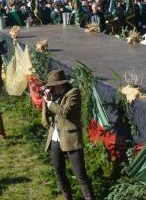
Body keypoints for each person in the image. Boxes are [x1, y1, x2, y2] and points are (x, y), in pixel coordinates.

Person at [42, 69, 95, 200]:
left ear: (59, 84)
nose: (50, 88)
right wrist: (46, 100)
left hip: (70, 138)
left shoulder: (73, 93)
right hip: (55, 137)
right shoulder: (54, 96)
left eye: (52, 85)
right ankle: (67, 197)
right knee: (59, 172)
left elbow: (65, 112)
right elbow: (47, 116)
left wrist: (50, 103)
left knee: (80, 175)